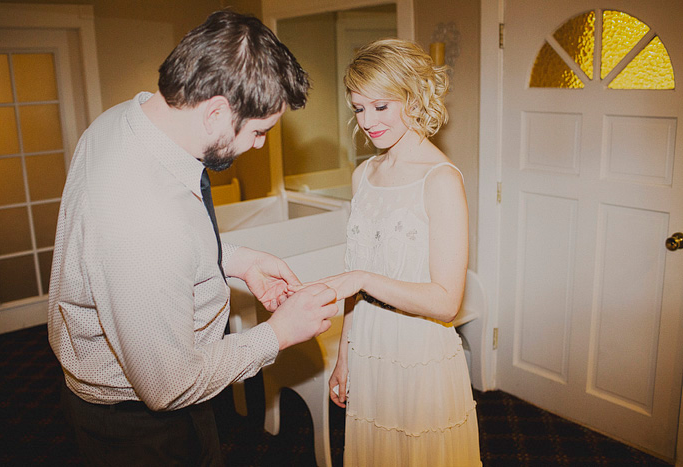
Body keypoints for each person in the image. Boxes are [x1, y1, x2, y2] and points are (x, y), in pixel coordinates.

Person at [47, 10, 338, 466]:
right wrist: (277, 334)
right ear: (216, 111)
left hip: (158, 397)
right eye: (259, 131)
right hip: (138, 427)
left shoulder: (126, 119)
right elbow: (169, 386)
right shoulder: (144, 215)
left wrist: (234, 259)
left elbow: (162, 252)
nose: (259, 145)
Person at [321, 39, 482, 465]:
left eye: (381, 106)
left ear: (413, 97)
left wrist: (363, 280)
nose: (368, 121)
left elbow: (447, 303)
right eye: (358, 108)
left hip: (419, 352)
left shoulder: (441, 179)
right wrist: (344, 358)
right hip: (369, 348)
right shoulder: (364, 175)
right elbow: (357, 278)